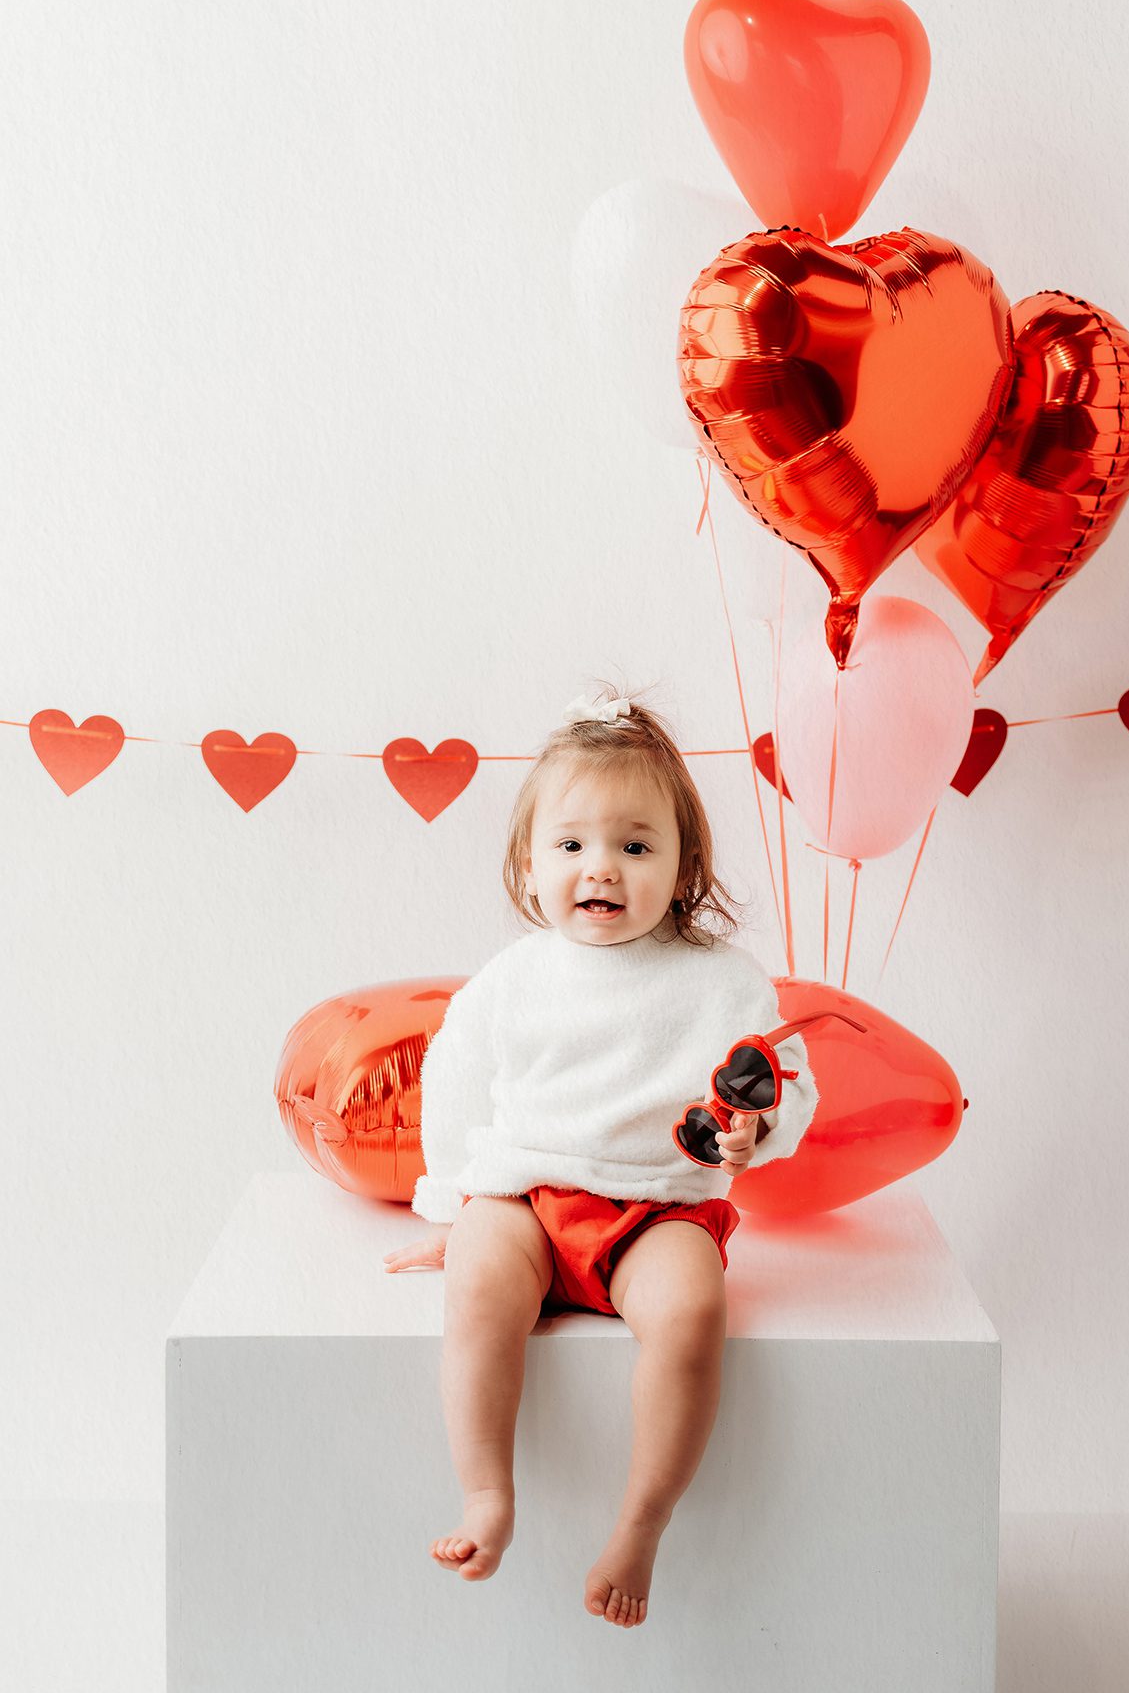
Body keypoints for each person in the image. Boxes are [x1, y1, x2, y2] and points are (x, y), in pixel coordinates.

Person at [382, 684, 819, 1628]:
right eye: (572, 845)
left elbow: (784, 1080)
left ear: (682, 861)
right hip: (529, 1197)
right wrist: (453, 1204)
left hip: (657, 1208)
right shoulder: (513, 979)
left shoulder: (720, 983)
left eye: (635, 845)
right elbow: (456, 1086)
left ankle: (640, 1523)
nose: (602, 869)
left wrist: (758, 1127)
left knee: (695, 1314)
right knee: (479, 1280)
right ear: (529, 863)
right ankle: (488, 1494)